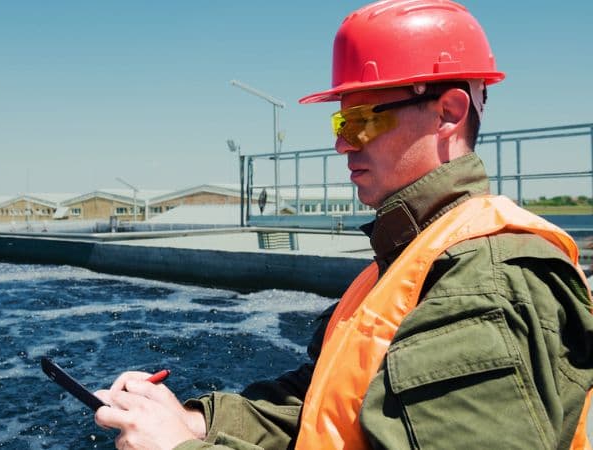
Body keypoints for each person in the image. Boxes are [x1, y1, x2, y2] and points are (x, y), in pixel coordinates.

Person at [94, 0, 593, 448]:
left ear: (448, 111)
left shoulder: (482, 281)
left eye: (362, 121)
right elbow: (324, 408)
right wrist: (191, 421)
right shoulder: (406, 259)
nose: (342, 144)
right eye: (340, 124)